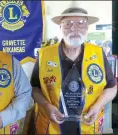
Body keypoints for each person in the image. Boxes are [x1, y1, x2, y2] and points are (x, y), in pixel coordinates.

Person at [31, 4, 117, 135]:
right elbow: (34, 89)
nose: (74, 28)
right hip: (52, 126)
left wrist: (98, 105)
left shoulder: (98, 53)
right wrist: (47, 106)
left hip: (88, 126)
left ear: (87, 28)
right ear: (60, 27)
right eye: (68, 24)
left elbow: (111, 87)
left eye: (80, 24)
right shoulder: (44, 54)